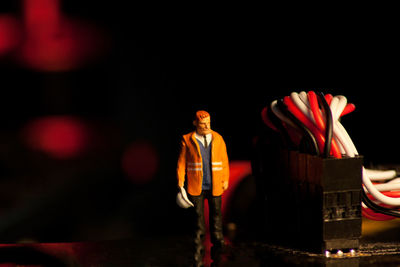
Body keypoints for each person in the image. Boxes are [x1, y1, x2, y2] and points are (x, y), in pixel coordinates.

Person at [176, 110, 230, 266]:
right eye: (202, 123)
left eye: (208, 123)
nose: (206, 126)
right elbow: (181, 163)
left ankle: (218, 240)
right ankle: (197, 241)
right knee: (197, 216)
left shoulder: (218, 138)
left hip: (215, 185)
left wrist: (225, 179)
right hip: (196, 185)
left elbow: (224, 160)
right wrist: (180, 183)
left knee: (216, 214)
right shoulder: (187, 140)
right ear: (195, 123)